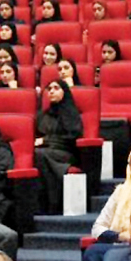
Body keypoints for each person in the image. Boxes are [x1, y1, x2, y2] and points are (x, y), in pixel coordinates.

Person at [35, 80, 83, 215]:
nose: (51, 91)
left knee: (39, 155)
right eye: (49, 88)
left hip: (65, 152)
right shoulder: (42, 115)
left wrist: (46, 140)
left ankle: (51, 204)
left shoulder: (71, 114)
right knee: (37, 155)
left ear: (64, 92)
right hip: (45, 152)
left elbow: (72, 138)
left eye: (56, 88)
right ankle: (49, 203)